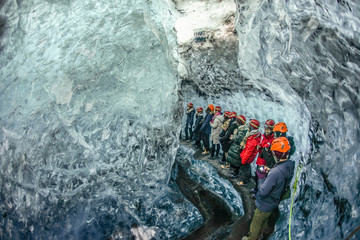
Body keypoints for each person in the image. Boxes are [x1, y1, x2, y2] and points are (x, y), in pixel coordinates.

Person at [242, 137, 295, 240]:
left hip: (265, 203)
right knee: (264, 220)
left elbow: (262, 192)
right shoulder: (289, 165)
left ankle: (251, 238)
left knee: (256, 223)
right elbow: (280, 178)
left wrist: (261, 177)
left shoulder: (275, 173)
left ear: (276, 154)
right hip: (274, 201)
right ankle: (260, 235)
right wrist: (270, 171)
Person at [251, 119, 275, 196]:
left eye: (268, 129)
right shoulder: (263, 136)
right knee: (257, 176)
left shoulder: (273, 140)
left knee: (262, 179)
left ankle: (258, 193)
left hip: (265, 163)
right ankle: (256, 189)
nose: (266, 131)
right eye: (266, 129)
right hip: (260, 160)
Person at [237, 119, 261, 186]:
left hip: (247, 157)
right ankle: (248, 177)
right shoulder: (254, 135)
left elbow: (249, 151)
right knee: (247, 167)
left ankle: (244, 181)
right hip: (248, 156)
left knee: (245, 168)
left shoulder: (253, 139)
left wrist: (243, 160)